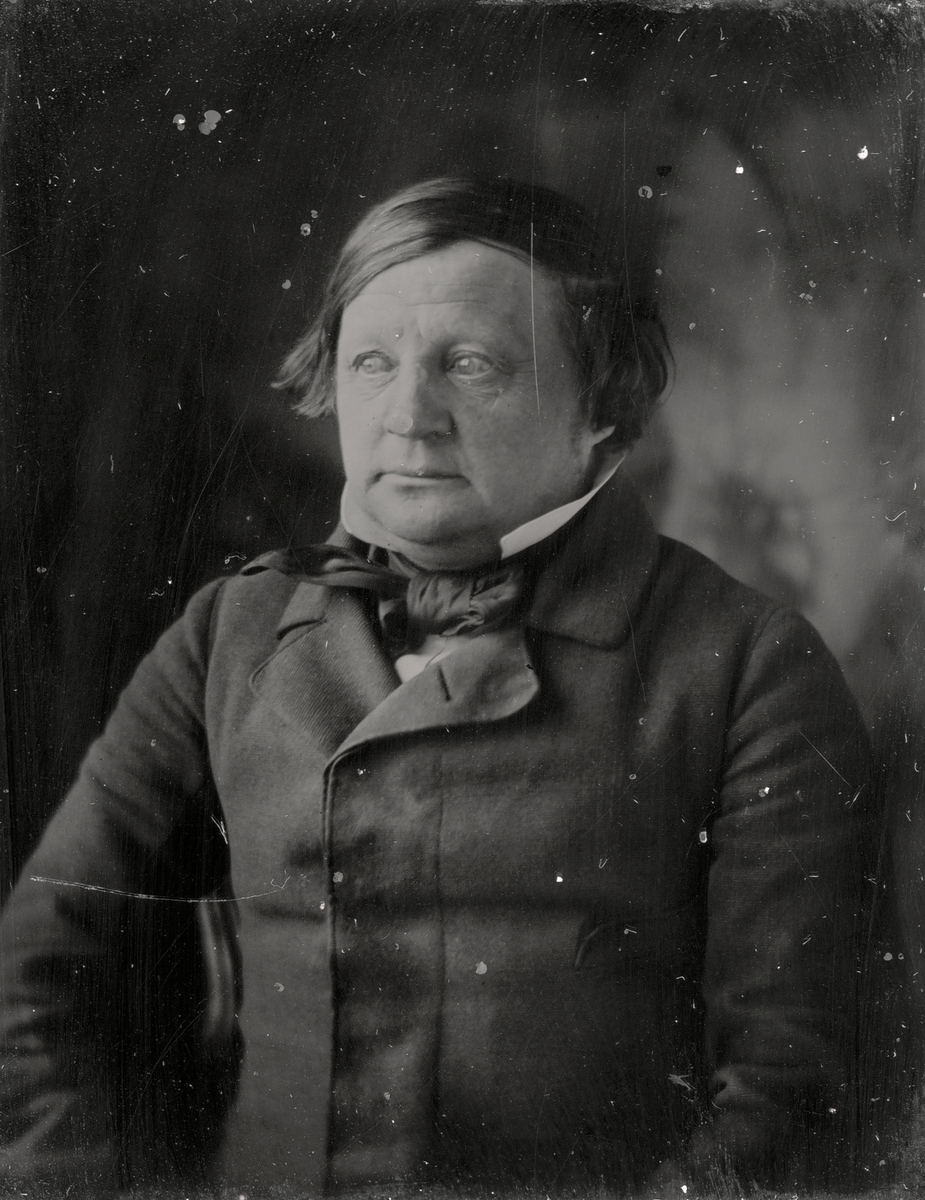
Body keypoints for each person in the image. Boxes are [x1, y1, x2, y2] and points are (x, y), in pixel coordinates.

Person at [0, 176, 893, 1196]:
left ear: (601, 410)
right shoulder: (228, 634)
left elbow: (795, 1092)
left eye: (471, 365)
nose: (409, 417)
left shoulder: (746, 666)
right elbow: (35, 982)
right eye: (372, 363)